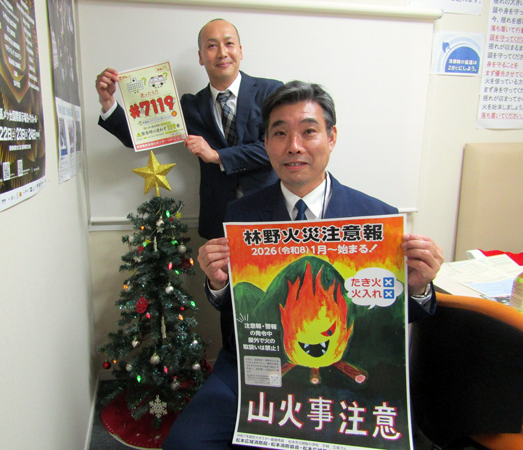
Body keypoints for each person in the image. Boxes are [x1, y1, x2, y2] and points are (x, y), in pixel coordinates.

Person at [162, 81, 444, 450]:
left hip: (350, 374)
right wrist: (218, 284)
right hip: (255, 369)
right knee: (186, 443)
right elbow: (239, 311)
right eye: (280, 133)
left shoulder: (375, 217)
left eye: (309, 131)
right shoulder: (241, 214)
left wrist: (419, 287)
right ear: (266, 143)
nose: (293, 146)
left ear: (331, 137)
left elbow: (391, 319)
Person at [95, 19, 282, 239]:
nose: (222, 53)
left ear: (240, 51)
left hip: (269, 213)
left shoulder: (271, 92)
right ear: (201, 57)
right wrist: (108, 102)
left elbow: (276, 148)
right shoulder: (189, 106)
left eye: (229, 44)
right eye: (212, 46)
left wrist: (216, 156)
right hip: (219, 217)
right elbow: (136, 136)